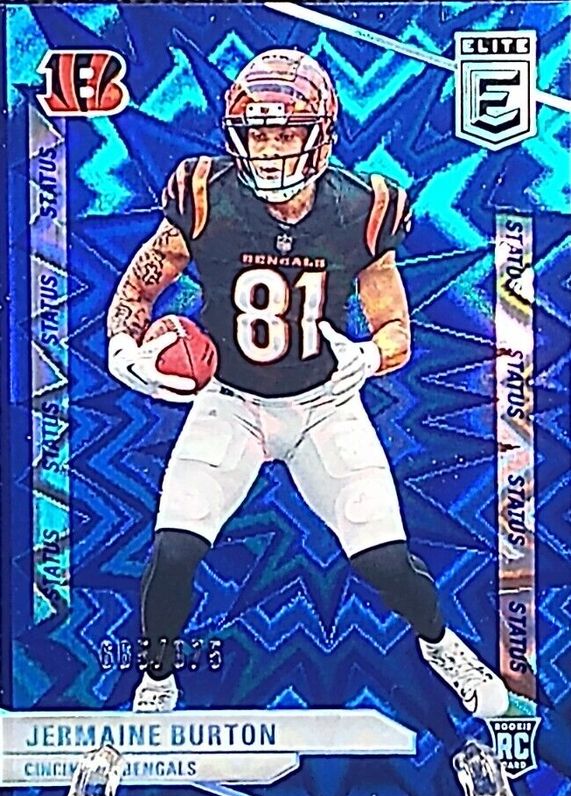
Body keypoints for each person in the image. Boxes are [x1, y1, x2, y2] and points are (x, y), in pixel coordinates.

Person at [107, 49, 509, 718]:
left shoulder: (363, 207)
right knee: (173, 552)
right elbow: (140, 286)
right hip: (230, 402)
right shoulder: (204, 196)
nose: (269, 149)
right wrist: (124, 347)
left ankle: (441, 645)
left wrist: (367, 358)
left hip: (325, 405)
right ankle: (156, 677)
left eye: (285, 131)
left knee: (385, 561)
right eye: (256, 132)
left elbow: (395, 329)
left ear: (320, 134)